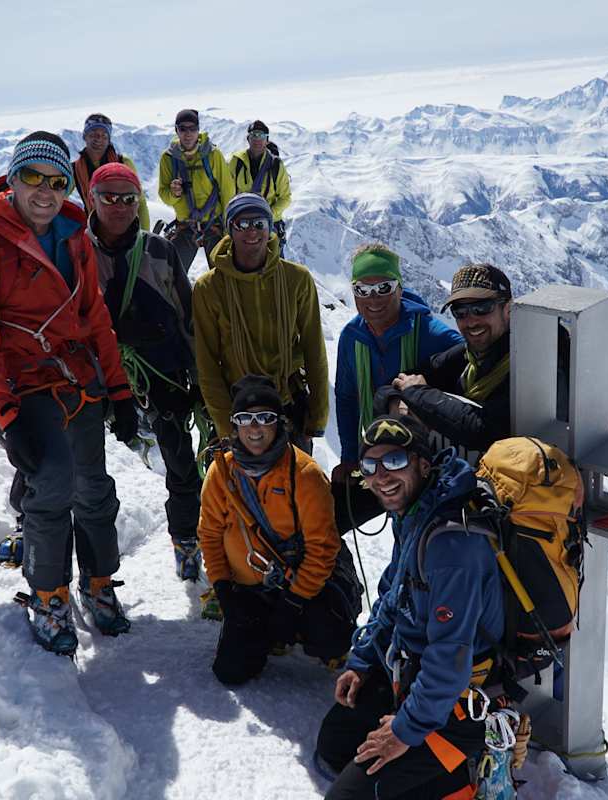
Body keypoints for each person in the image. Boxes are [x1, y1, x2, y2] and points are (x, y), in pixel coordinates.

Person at [0, 131, 141, 655]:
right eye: (32, 177)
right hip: (22, 385)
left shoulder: (72, 236)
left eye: (56, 181)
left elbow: (94, 317)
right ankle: (48, 594)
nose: (45, 191)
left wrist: (118, 391)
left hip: (75, 380)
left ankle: (98, 583)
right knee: (52, 484)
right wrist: (6, 418)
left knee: (94, 488)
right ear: (13, 179)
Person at [316, 414, 504, 799]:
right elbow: (392, 594)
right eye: (370, 466)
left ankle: (463, 773)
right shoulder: (416, 514)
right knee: (335, 745)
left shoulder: (451, 544)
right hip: (414, 673)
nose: (381, 476)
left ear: (422, 463)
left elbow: (450, 657)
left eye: (395, 461)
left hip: (460, 702)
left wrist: (403, 731)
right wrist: (363, 660)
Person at [85, 160, 208, 582]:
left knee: (181, 462)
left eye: (128, 197)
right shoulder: (74, 252)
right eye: (109, 197)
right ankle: (87, 567)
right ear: (92, 199)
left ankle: (186, 540)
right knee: (83, 469)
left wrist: (198, 377)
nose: (119, 205)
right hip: (100, 374)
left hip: (161, 372)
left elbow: (186, 313)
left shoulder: (158, 250)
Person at [199, 375, 360, 685]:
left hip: (299, 582)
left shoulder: (305, 474)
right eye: (245, 418)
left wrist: (293, 603)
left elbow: (322, 548)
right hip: (249, 588)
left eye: (265, 418)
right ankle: (270, 630)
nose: (255, 427)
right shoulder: (221, 473)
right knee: (230, 672)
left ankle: (299, 625)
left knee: (332, 638)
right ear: (234, 425)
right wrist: (223, 590)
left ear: (278, 423)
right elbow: (210, 535)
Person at [331, 243, 461, 533]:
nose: (373, 298)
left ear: (400, 288)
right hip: (376, 459)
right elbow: (347, 398)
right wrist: (350, 458)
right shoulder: (351, 338)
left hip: (422, 464)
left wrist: (425, 383)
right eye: (363, 289)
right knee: (326, 523)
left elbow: (468, 358)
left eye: (384, 288)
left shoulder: (427, 331)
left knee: (418, 533)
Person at [192, 192, 328, 453]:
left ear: (270, 228)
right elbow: (207, 362)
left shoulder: (296, 279)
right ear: (230, 229)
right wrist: (224, 426)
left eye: (259, 224)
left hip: (289, 404)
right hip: (238, 411)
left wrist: (317, 417)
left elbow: (314, 349)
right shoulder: (209, 287)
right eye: (242, 224)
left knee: (295, 488)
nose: (251, 231)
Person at [377, 263, 514, 459]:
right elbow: (389, 385)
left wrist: (418, 396)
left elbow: (485, 429)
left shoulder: (530, 363)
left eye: (482, 308)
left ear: (507, 309)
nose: (471, 320)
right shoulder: (467, 357)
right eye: (460, 311)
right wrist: (397, 402)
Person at [157, 109, 235, 269]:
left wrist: (229, 227)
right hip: (185, 226)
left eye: (192, 128)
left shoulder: (213, 155)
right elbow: (164, 195)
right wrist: (174, 194)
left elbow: (227, 190)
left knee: (222, 276)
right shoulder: (168, 158)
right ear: (176, 130)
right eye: (183, 129)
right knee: (172, 276)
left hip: (214, 224)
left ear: (198, 130)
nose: (188, 133)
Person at [71, 112, 150, 227]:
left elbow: (140, 202)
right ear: (84, 136)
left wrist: (144, 235)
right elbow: (58, 197)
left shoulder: (124, 163)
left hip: (127, 228)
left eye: (104, 135)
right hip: (94, 231)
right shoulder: (74, 170)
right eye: (93, 134)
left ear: (109, 139)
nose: (99, 139)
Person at [228, 120, 291, 247]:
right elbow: (227, 192)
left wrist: (269, 215)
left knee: (273, 262)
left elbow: (285, 198)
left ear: (267, 140)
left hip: (268, 222)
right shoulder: (236, 161)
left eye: (261, 136)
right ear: (248, 139)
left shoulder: (276, 165)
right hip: (241, 221)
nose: (257, 139)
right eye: (253, 135)